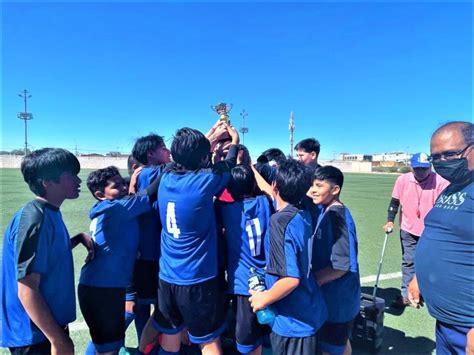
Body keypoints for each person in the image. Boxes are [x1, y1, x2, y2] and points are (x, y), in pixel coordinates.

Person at [139, 126, 239, 355]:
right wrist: (233, 141)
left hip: (167, 276)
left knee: (170, 337)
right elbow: (229, 164)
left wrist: (204, 141)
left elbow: (185, 159)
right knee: (208, 340)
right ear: (204, 157)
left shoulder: (165, 179)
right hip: (197, 279)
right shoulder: (204, 182)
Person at [0, 148, 94, 354]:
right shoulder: (35, 218)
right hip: (34, 334)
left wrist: (77, 239)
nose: (78, 181)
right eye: (70, 176)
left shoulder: (49, 213)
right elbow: (27, 289)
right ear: (47, 182)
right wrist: (58, 339)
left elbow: (46, 255)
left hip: (46, 327)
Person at [249, 159, 327, 355]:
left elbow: (291, 279)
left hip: (293, 321)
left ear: (275, 186)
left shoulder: (279, 222)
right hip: (309, 309)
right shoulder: (304, 211)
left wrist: (263, 298)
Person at [78, 166, 160, 355]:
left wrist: (129, 185)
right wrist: (173, 166)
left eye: (123, 184)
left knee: (108, 346)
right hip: (101, 290)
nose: (123, 188)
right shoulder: (118, 208)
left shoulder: (109, 206)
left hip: (102, 286)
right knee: (108, 349)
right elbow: (150, 191)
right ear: (100, 194)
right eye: (117, 186)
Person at [408, 121, 473, 354]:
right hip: (446, 322)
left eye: (450, 154)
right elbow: (442, 235)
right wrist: (420, 277)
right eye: (437, 158)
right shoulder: (453, 188)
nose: (443, 162)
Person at [215, 165, 273, 355]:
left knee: (246, 338)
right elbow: (270, 191)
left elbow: (212, 193)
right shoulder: (264, 203)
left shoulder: (226, 209)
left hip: (243, 284)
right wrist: (251, 168)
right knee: (264, 329)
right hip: (267, 279)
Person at [383, 152, 449, 307]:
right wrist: (390, 221)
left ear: (430, 167)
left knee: (430, 263)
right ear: (412, 167)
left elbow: (444, 209)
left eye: (424, 169)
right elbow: (395, 202)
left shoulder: (440, 182)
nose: (421, 172)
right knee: (409, 261)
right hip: (407, 228)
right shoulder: (403, 180)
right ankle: (406, 295)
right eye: (417, 169)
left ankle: (426, 293)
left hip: (431, 232)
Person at [310, 166, 361, 355]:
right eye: (312, 185)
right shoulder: (325, 208)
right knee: (339, 344)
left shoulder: (337, 216)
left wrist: (313, 281)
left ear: (335, 189)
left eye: (319, 186)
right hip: (333, 300)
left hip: (339, 302)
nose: (313, 190)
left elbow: (341, 266)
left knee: (330, 350)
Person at [130, 134, 171, 340]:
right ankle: (145, 344)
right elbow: (182, 159)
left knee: (152, 302)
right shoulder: (150, 173)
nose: (168, 150)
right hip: (149, 251)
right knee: (148, 302)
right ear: (151, 154)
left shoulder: (147, 173)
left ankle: (149, 343)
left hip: (153, 249)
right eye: (163, 147)